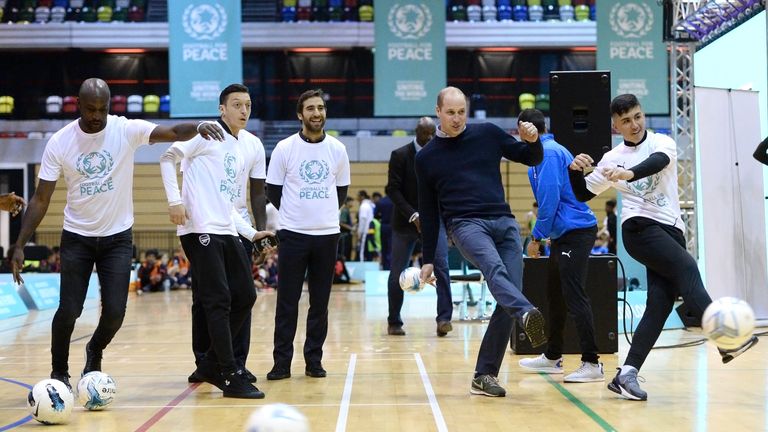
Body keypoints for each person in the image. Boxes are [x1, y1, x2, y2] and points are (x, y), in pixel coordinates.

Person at [8, 77, 224, 389]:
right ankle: (59, 372)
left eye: (103, 109)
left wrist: (200, 125)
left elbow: (173, 132)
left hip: (117, 238)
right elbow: (41, 199)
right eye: (91, 109)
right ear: (79, 105)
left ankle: (94, 350)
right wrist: (19, 244)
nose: (97, 115)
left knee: (115, 313)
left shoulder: (124, 129)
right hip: (77, 238)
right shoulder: (60, 142)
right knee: (69, 310)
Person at [568, 93, 759, 401]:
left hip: (672, 231)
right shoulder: (611, 158)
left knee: (660, 303)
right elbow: (582, 195)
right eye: (626, 121)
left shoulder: (662, 142)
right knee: (687, 268)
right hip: (640, 228)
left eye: (637, 117)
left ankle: (626, 374)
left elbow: (659, 163)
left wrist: (629, 173)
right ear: (616, 126)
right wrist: (574, 172)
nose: (634, 125)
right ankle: (726, 338)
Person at [416, 86, 547, 398]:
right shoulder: (426, 159)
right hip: (465, 224)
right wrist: (428, 259)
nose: (457, 118)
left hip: (504, 222)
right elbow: (430, 213)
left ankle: (484, 374)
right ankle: (527, 311)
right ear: (438, 112)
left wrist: (533, 141)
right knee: (494, 271)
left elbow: (529, 158)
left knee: (508, 295)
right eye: (450, 112)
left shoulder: (487, 134)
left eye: (462, 111)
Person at [160, 83, 271, 399]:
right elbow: (167, 158)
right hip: (199, 230)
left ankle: (210, 364)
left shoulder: (239, 149)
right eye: (236, 105)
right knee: (218, 300)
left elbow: (227, 202)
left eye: (247, 105)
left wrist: (253, 233)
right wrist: (173, 201)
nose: (244, 110)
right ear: (222, 109)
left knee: (246, 296)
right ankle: (228, 372)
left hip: (227, 228)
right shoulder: (208, 134)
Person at [265, 89, 350, 381]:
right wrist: (296, 214)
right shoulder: (284, 148)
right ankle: (281, 363)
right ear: (300, 114)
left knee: (320, 303)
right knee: (286, 302)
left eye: (321, 108)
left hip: (327, 235)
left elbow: (341, 192)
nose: (317, 113)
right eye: (311, 109)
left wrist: (321, 214)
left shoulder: (337, 149)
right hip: (293, 235)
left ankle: (314, 360)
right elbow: (273, 191)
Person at [514, 108, 604, 383]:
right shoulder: (536, 156)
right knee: (555, 294)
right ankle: (553, 357)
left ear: (524, 129)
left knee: (574, 293)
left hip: (577, 232)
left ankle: (592, 363)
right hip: (563, 234)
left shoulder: (549, 153)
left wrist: (537, 238)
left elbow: (550, 201)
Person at [385, 116, 453, 337]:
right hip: (404, 223)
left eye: (433, 133)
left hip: (435, 222)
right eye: (426, 134)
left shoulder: (441, 154)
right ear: (417, 132)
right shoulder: (400, 155)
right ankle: (394, 321)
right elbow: (392, 190)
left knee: (441, 268)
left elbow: (445, 190)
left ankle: (444, 319)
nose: (430, 138)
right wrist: (413, 215)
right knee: (397, 272)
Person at [356, 190, 374, 261]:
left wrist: (359, 233)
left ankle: (361, 265)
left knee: (362, 252)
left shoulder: (364, 206)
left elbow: (363, 220)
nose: (357, 198)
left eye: (358, 196)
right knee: (367, 251)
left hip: (365, 232)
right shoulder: (370, 205)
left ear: (362, 196)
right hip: (369, 231)